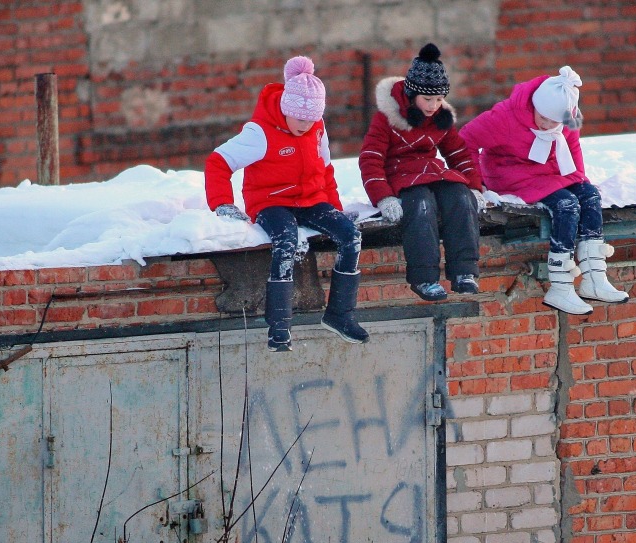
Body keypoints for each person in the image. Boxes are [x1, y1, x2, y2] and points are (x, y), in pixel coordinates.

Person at [205, 55, 367, 350]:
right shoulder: (259, 132)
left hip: (310, 199)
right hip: (270, 202)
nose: (305, 125)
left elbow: (325, 168)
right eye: (300, 119)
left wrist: (335, 207)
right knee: (286, 240)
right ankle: (279, 327)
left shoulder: (317, 127)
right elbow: (218, 162)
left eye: (311, 119)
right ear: (285, 108)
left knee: (351, 236)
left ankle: (340, 315)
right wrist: (222, 204)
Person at [460, 66, 628, 315]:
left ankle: (594, 278)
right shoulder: (506, 116)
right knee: (566, 204)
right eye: (543, 118)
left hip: (551, 172)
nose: (548, 124)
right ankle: (560, 286)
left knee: (590, 196)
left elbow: (573, 146)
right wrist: (475, 183)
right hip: (512, 174)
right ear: (535, 106)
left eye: (554, 121)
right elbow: (466, 140)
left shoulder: (570, 117)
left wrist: (580, 180)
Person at [359, 43, 485, 302]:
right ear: (412, 94)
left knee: (461, 197)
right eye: (427, 99)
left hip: (433, 172)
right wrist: (383, 197)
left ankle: (464, 271)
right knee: (421, 206)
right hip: (401, 178)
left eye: (439, 99)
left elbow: (459, 154)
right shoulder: (387, 118)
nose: (433, 105)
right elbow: (370, 159)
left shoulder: (440, 118)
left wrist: (474, 187)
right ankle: (424, 277)